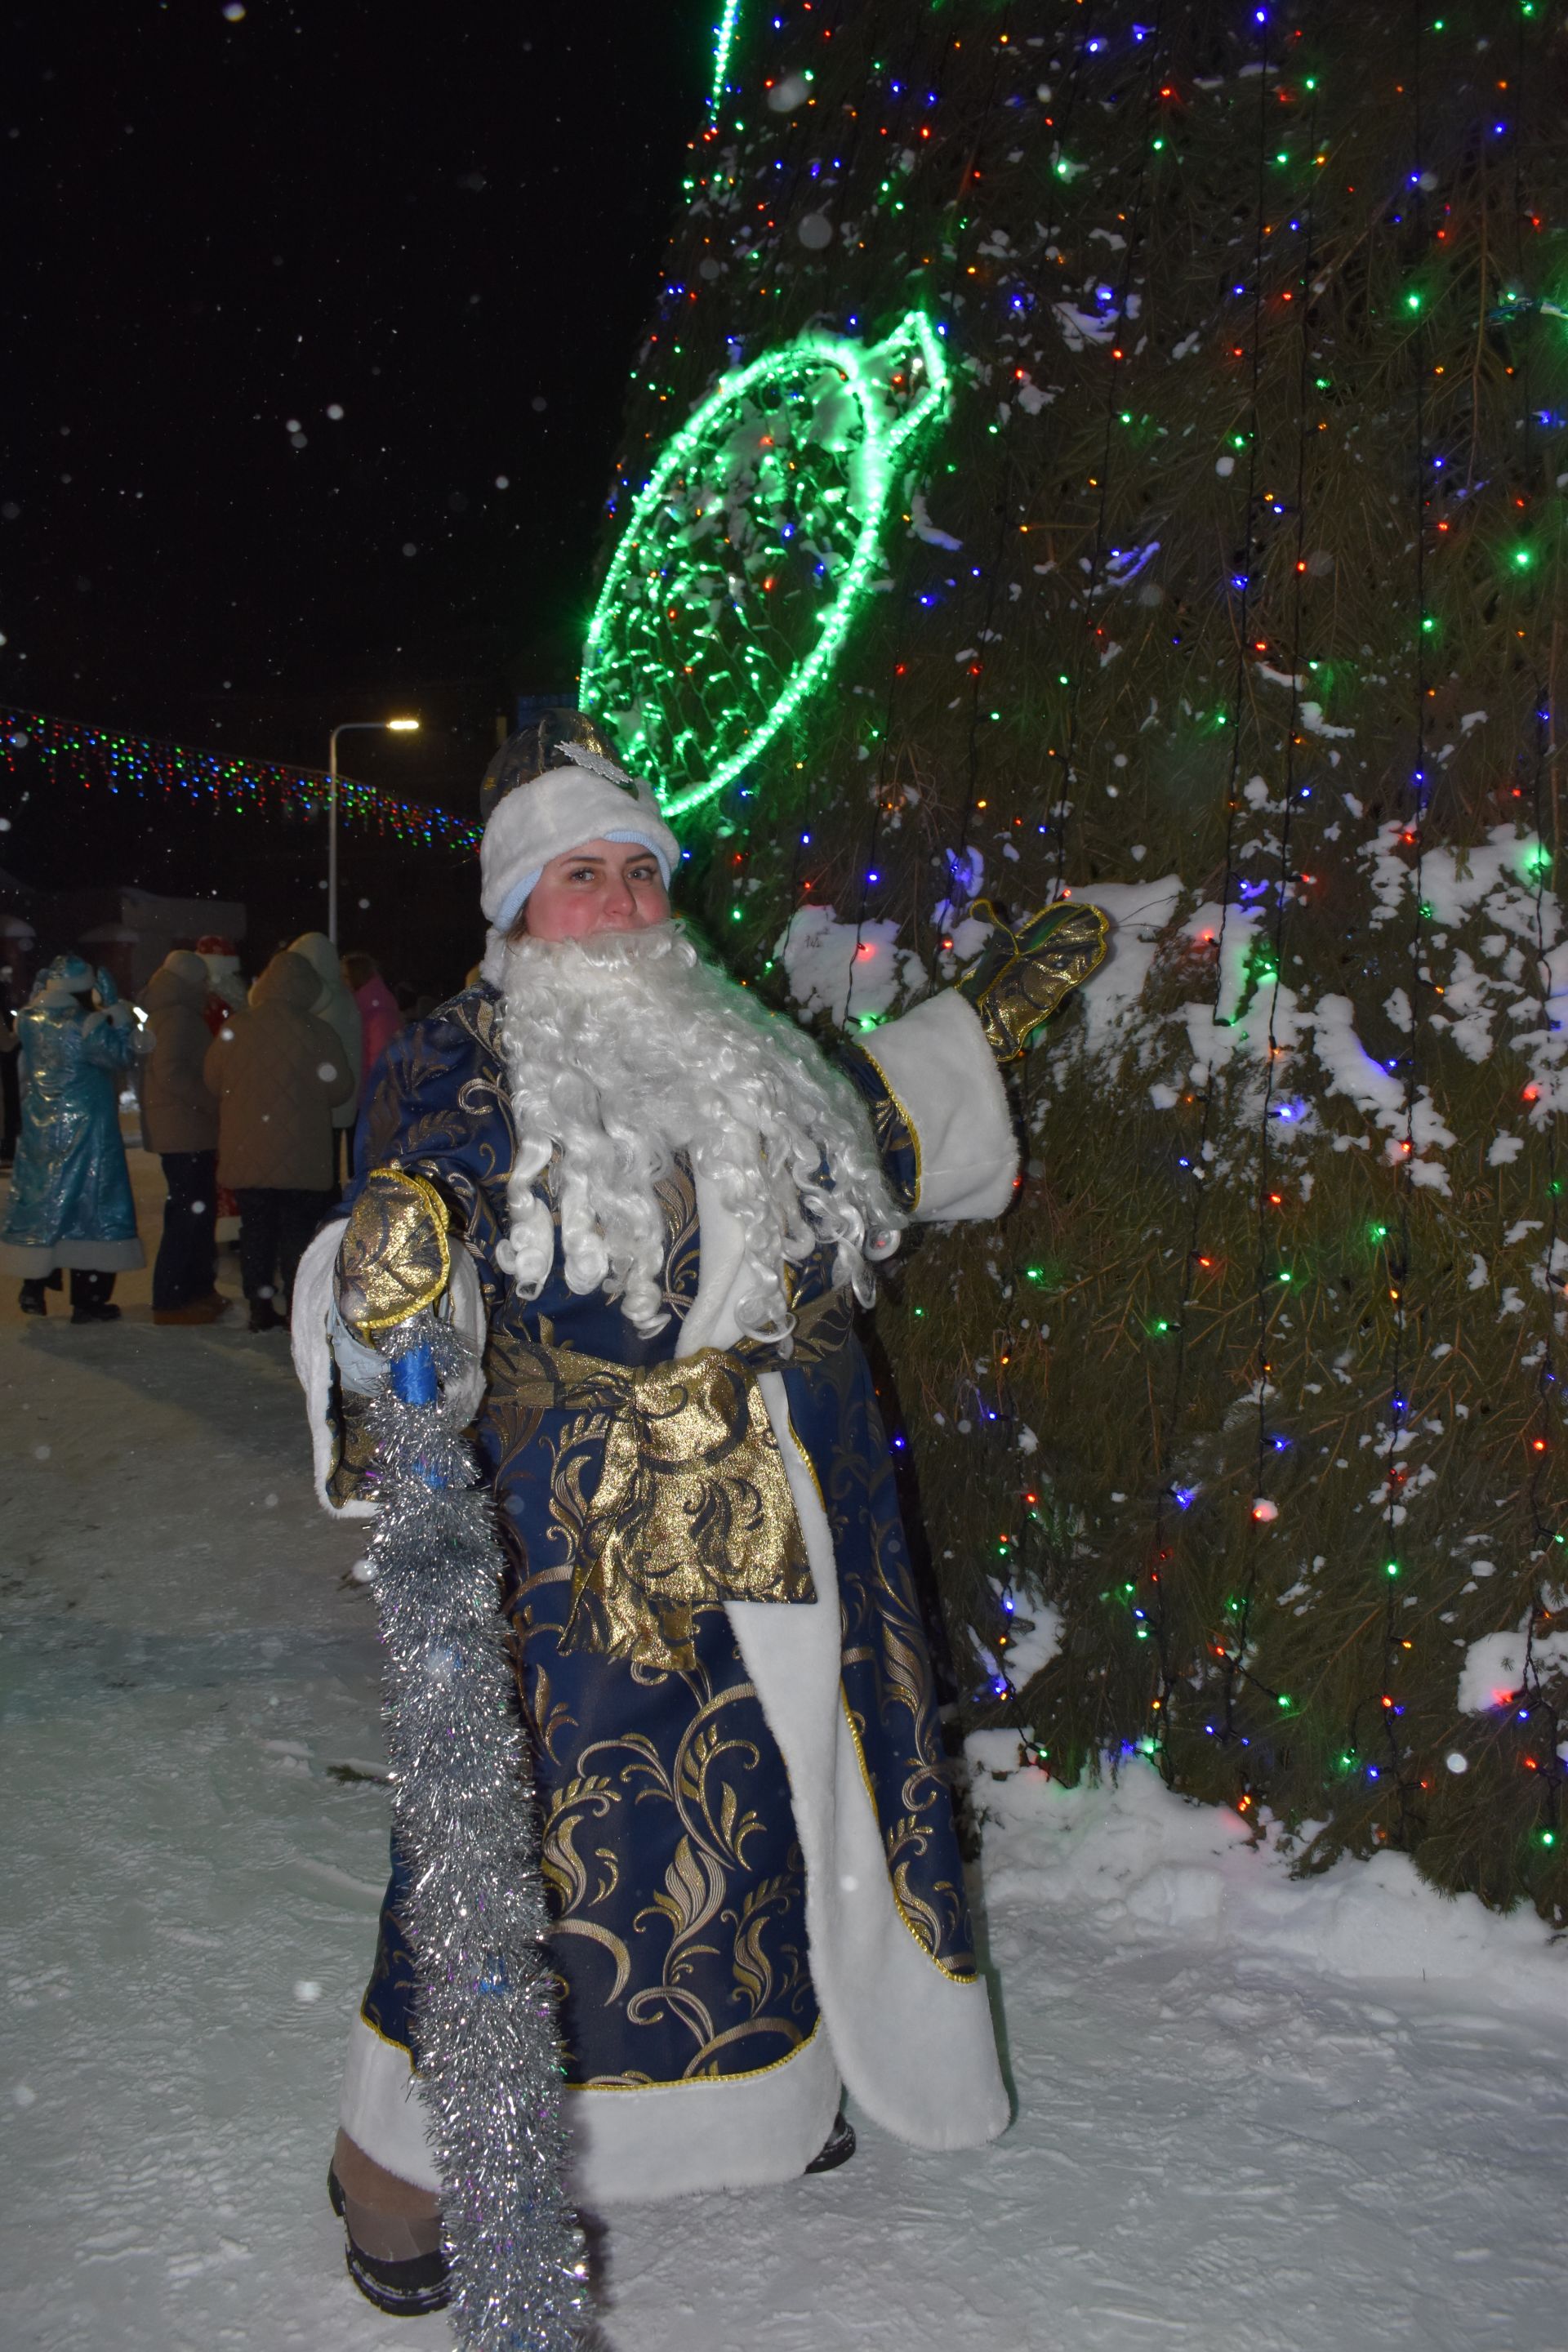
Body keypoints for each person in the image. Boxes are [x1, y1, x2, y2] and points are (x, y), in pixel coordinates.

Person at [292, 714, 1107, 2317]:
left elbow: (859, 1127)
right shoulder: (466, 1057)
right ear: (519, 907)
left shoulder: (732, 1040)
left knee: (765, 1810)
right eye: (578, 877)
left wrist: (986, 1023)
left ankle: (765, 2097)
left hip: (774, 1504)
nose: (619, 904)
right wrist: (399, 1270)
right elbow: (421, 1211)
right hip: (574, 1530)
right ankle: (403, 2164)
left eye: (637, 873)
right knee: (544, 1848)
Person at [204, 950, 353, 1332]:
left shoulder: (237, 1027)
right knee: (298, 1234)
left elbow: (211, 1080)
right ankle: (296, 1308)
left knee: (256, 1231)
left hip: (248, 1153)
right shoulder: (317, 1032)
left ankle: (259, 1302)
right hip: (301, 1154)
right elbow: (339, 1088)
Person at [0, 954, 150, 1322]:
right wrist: (117, 1012)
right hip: (88, 1125)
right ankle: (89, 1298)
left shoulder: (30, 1020)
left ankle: (34, 1283)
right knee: (91, 1205)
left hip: (41, 1123)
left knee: (44, 1202)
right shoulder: (88, 1023)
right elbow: (122, 1056)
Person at [138, 949, 227, 1326]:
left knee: (193, 1213)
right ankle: (173, 1298)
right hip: (184, 1129)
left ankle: (193, 1290)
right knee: (188, 1216)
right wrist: (211, 1102)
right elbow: (172, 1071)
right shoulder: (176, 1016)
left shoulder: (171, 1012)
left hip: (184, 1129)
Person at [290, 931, 363, 1181]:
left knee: (326, 1170)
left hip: (329, 1095)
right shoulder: (342, 995)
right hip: (344, 1089)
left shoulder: (323, 999)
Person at [339, 951, 403, 1078]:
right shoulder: (361, 1010)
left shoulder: (379, 1016)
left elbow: (381, 1064)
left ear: (357, 976)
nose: (341, 982)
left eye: (345, 977)